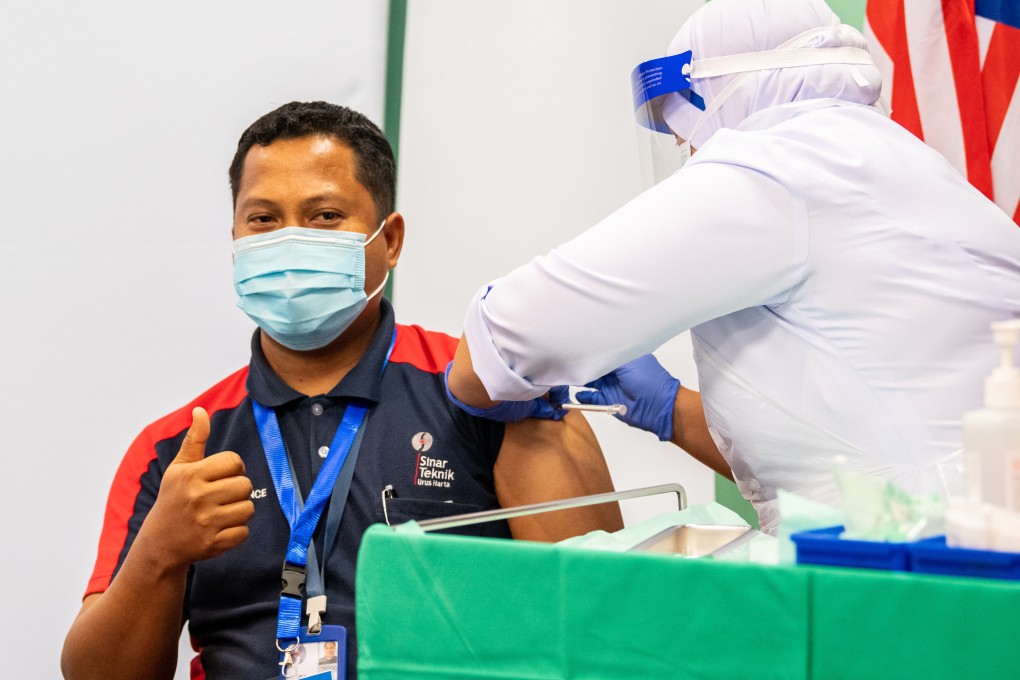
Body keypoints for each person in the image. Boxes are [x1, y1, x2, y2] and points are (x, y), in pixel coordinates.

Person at [61, 101, 622, 680]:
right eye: (263, 220)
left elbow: (602, 626)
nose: (290, 240)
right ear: (234, 236)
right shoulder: (177, 448)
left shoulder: (494, 394)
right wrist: (158, 555)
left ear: (391, 239)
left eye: (325, 215)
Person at [446, 0, 1020, 534]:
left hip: (920, 569)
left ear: (721, 96)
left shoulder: (775, 166)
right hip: (965, 550)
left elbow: (500, 340)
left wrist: (480, 384)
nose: (693, 157)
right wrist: (669, 408)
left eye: (687, 138)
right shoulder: (906, 166)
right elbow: (853, 441)